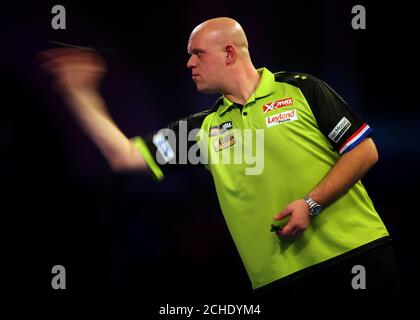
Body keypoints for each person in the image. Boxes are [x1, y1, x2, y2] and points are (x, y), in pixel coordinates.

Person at [39, 17, 400, 299]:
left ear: (229, 53)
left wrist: (311, 203)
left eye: (198, 53)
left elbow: (364, 151)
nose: (188, 63)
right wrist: (80, 94)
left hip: (358, 256)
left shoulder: (302, 89)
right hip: (278, 280)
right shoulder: (202, 130)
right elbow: (124, 157)